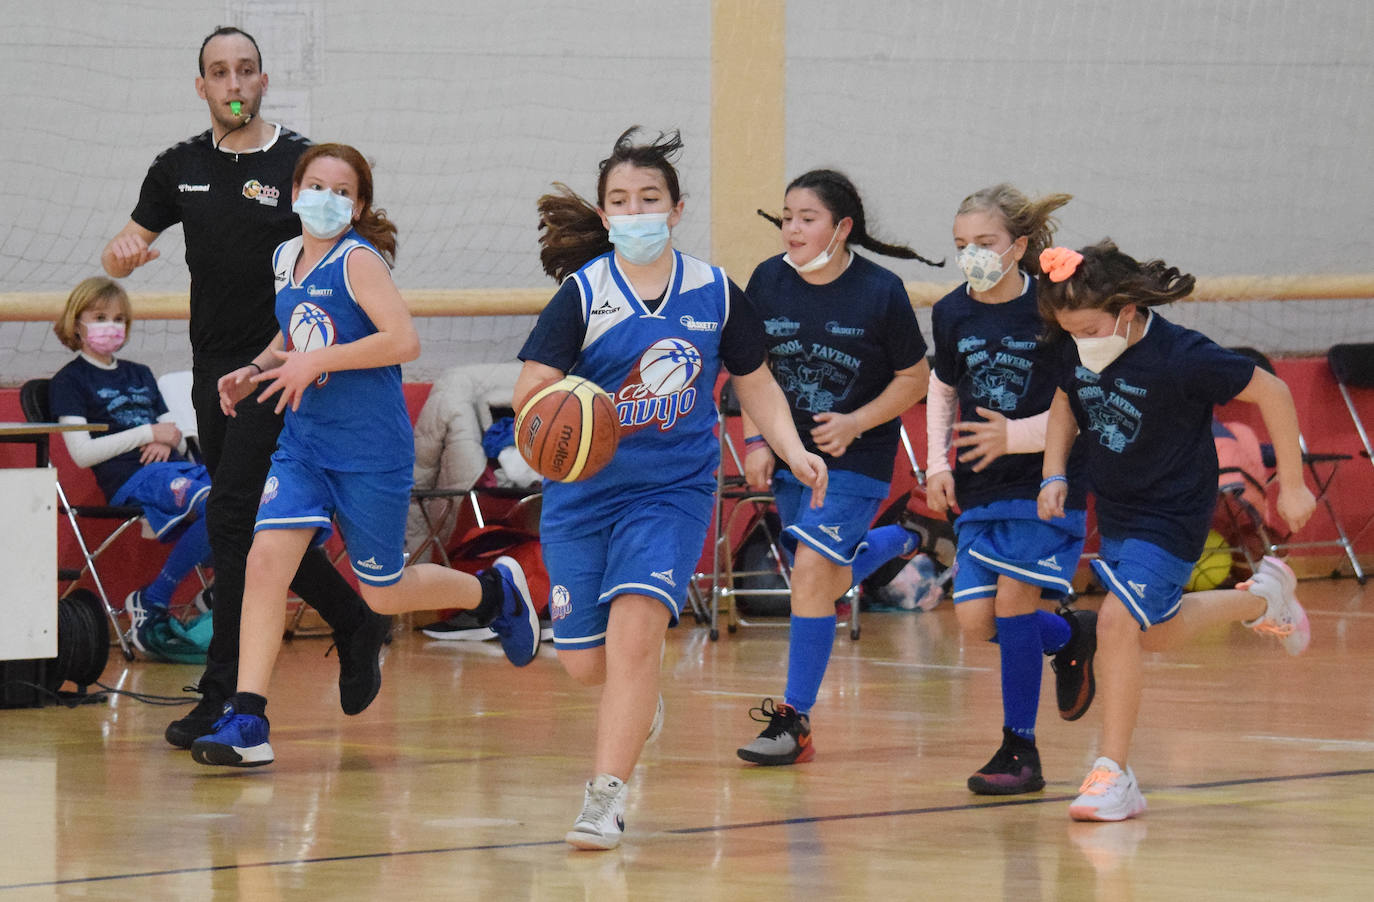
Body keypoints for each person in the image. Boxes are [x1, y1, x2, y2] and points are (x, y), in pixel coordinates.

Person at [518, 127, 828, 850]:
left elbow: (756, 385)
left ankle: (605, 797)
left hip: (672, 494)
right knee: (584, 666)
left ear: (677, 208)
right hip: (583, 495)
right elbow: (532, 390)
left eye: (648, 198)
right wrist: (567, 416)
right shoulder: (583, 295)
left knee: (635, 640)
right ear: (603, 216)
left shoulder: (715, 292)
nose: (635, 210)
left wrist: (792, 450)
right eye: (620, 201)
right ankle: (637, 707)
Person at [190, 144, 540, 767]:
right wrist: (256, 367)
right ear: (295, 191)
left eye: (341, 190)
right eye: (316, 184)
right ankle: (248, 719)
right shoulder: (284, 257)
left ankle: (491, 596)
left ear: (358, 206)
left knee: (381, 592)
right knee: (266, 559)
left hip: (369, 451)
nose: (326, 197)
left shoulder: (360, 262)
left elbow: (402, 338)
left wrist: (316, 360)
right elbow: (295, 327)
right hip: (303, 445)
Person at [101, 27, 388, 748]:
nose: (233, 83)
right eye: (219, 73)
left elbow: (348, 243)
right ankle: (354, 621)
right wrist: (124, 252)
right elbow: (125, 242)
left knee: (230, 517)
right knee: (260, 530)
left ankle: (224, 697)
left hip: (283, 371)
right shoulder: (178, 168)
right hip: (216, 374)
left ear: (262, 80)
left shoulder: (299, 166)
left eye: (246, 70)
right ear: (201, 86)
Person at [1036, 239, 1315, 822]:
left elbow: (1274, 390)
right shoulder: (1074, 347)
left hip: (1173, 514)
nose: (1081, 342)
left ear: (1128, 312)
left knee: (1115, 621)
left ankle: (1114, 773)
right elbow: (1066, 397)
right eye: (1072, 331)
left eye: (1090, 328)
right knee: (1150, 634)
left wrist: (1291, 486)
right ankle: (1263, 600)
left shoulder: (1183, 355)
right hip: (1116, 510)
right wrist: (1053, 472)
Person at [733, 169, 936, 766]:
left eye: (808, 218)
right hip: (791, 454)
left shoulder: (881, 291)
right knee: (817, 578)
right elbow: (752, 369)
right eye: (787, 217)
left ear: (842, 228)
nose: (792, 228)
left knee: (814, 576)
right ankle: (908, 537)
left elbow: (915, 378)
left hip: (856, 457)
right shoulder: (767, 281)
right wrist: (757, 441)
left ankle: (794, 722)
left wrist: (857, 422)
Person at [924, 184, 1097, 796]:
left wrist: (1016, 436)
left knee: (1014, 604)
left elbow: (1082, 399)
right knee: (976, 621)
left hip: (1046, 481)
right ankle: (1072, 633)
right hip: (979, 486)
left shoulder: (1054, 307)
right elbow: (942, 387)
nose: (971, 253)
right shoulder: (951, 312)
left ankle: (1020, 749)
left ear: (1019, 246)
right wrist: (936, 463)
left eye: (985, 242)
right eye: (961, 244)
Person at [48, 276, 214, 658]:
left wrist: (162, 436)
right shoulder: (69, 380)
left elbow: (173, 429)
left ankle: (220, 593)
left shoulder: (140, 372)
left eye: (119, 319)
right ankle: (152, 599)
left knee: (243, 499)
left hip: (175, 469)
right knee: (213, 503)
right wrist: (146, 433)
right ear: (77, 323)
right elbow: (83, 453)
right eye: (101, 316)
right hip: (130, 478)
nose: (112, 326)